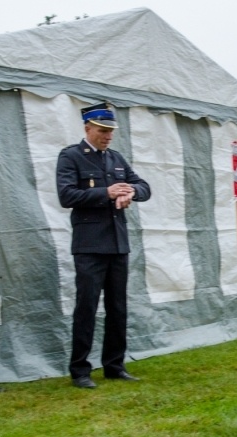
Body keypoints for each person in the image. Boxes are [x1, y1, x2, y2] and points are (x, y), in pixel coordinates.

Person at [57, 102, 151, 388]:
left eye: (111, 131)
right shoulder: (71, 156)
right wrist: (106, 193)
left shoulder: (116, 158)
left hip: (117, 244)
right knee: (86, 308)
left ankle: (114, 365)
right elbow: (66, 195)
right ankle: (80, 370)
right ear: (87, 128)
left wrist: (130, 192)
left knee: (117, 308)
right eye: (102, 130)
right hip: (89, 246)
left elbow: (145, 187)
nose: (108, 136)